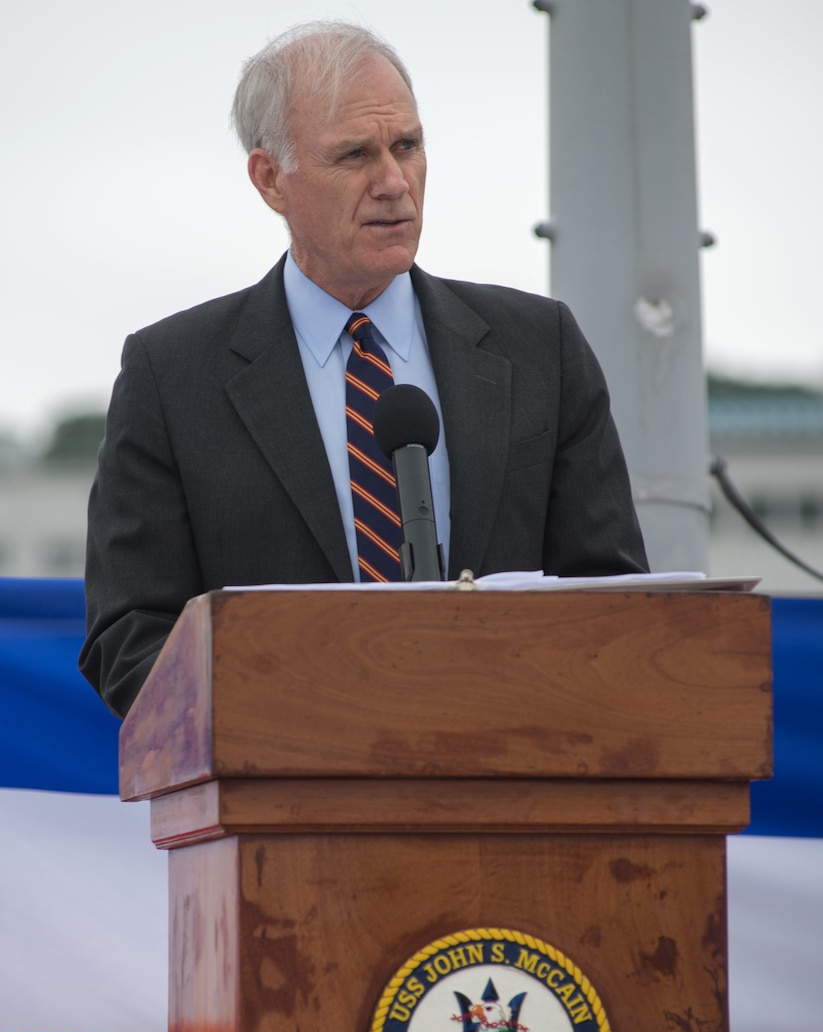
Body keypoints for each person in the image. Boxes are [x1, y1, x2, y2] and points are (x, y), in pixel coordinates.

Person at [79, 20, 648, 719]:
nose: (392, 182)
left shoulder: (540, 349)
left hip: (513, 784)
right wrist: (299, 729)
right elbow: (129, 635)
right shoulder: (171, 376)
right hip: (285, 803)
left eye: (406, 146)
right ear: (270, 179)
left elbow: (615, 599)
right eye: (353, 155)